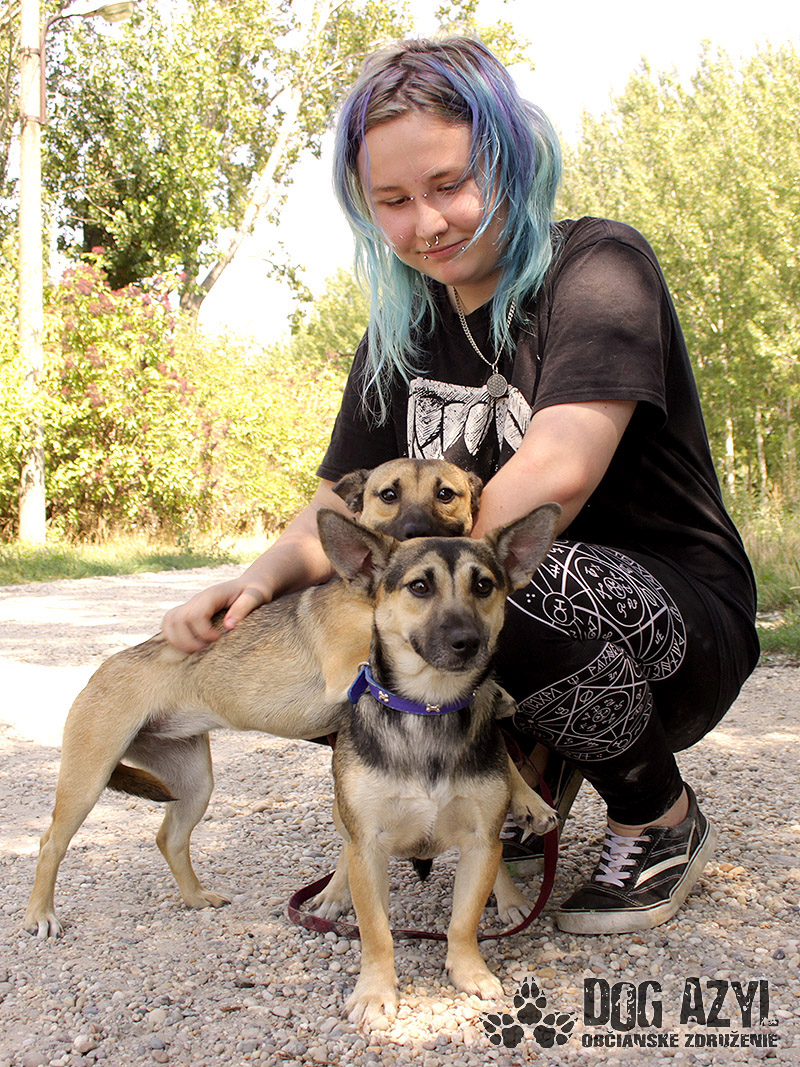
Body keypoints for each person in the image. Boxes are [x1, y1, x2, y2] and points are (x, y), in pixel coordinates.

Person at [162, 37, 759, 935]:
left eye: (450, 184)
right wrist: (253, 584)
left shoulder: (599, 266)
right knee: (338, 601)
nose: (427, 223)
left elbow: (559, 468)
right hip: (528, 622)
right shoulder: (401, 329)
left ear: (510, 160)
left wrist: (398, 582)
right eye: (394, 201)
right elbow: (333, 508)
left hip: (676, 627)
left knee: (491, 573)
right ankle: (512, 770)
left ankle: (657, 815)